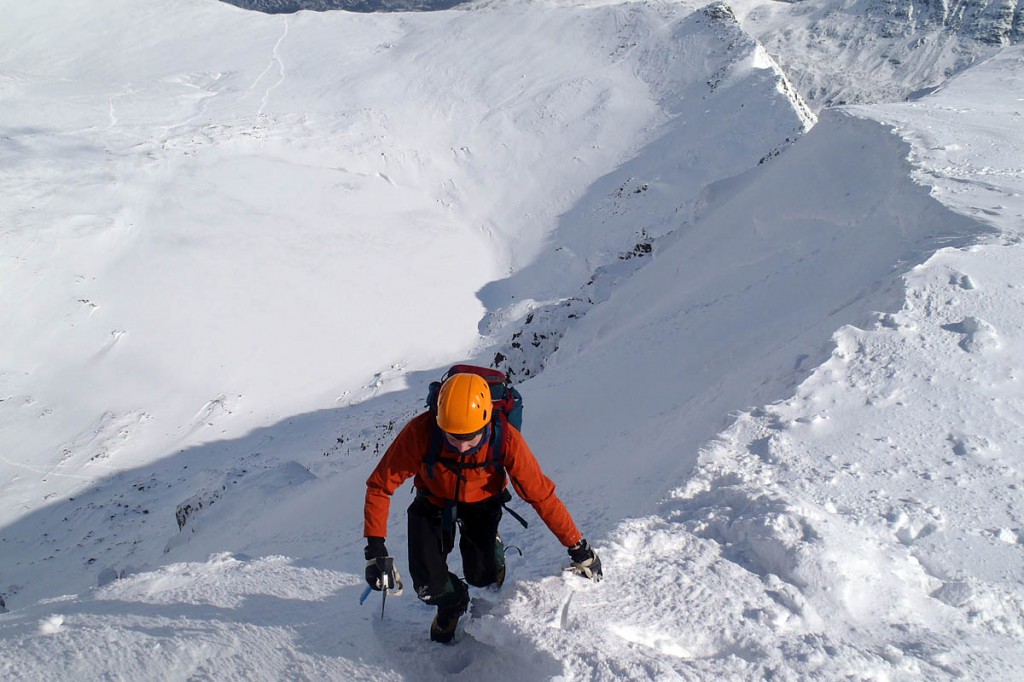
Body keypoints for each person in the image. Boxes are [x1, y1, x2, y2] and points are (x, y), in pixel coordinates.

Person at [363, 371, 603, 643]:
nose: (462, 445)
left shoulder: (506, 440)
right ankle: (453, 602)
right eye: (453, 437)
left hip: (482, 503)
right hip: (433, 501)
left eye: (471, 437)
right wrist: (375, 549)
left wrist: (578, 547)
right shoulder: (422, 431)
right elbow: (381, 485)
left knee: (483, 577)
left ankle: (492, 552)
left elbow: (541, 496)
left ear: (486, 422)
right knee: (427, 586)